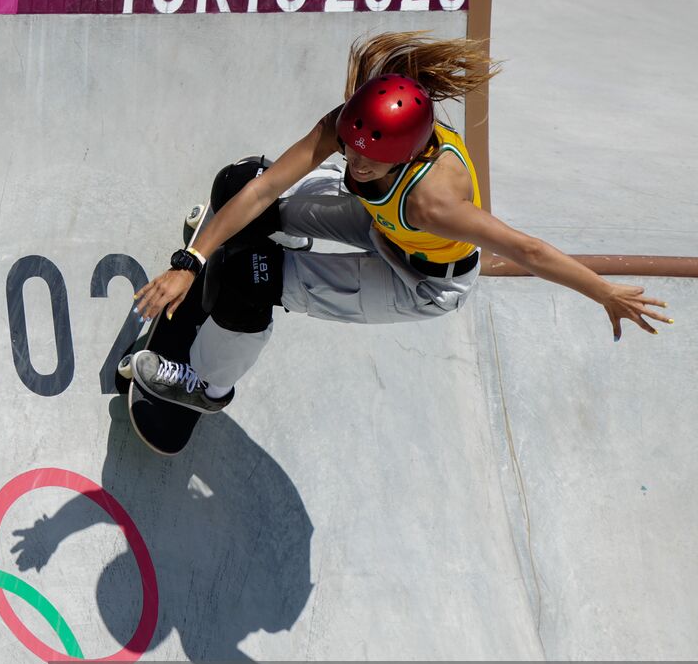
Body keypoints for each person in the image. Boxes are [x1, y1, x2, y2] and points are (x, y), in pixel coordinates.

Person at [128, 31, 673, 413]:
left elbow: (528, 249)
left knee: (250, 278)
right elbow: (266, 186)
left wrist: (604, 293)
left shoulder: (436, 204)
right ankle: (277, 241)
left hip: (419, 283)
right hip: (379, 222)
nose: (356, 162)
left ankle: (206, 387)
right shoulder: (353, 125)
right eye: (351, 149)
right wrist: (190, 261)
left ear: (410, 155)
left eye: (371, 159)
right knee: (238, 185)